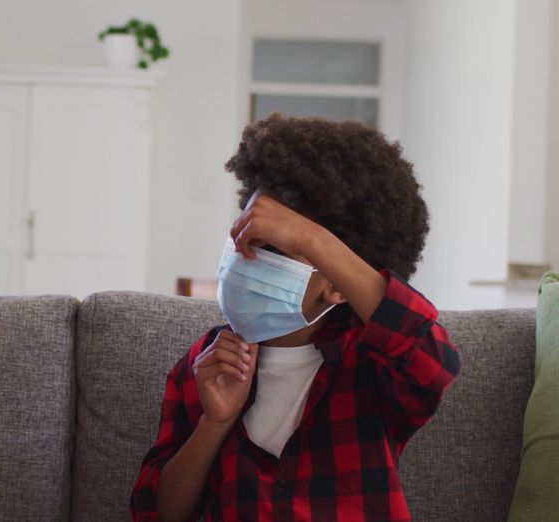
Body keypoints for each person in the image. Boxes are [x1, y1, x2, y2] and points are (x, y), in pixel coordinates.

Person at [131, 114, 460, 521]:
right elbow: (158, 514)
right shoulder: (206, 363)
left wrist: (312, 238)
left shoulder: (370, 364)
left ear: (336, 283)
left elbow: (434, 361)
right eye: (246, 237)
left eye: (277, 249)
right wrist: (214, 424)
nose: (247, 258)